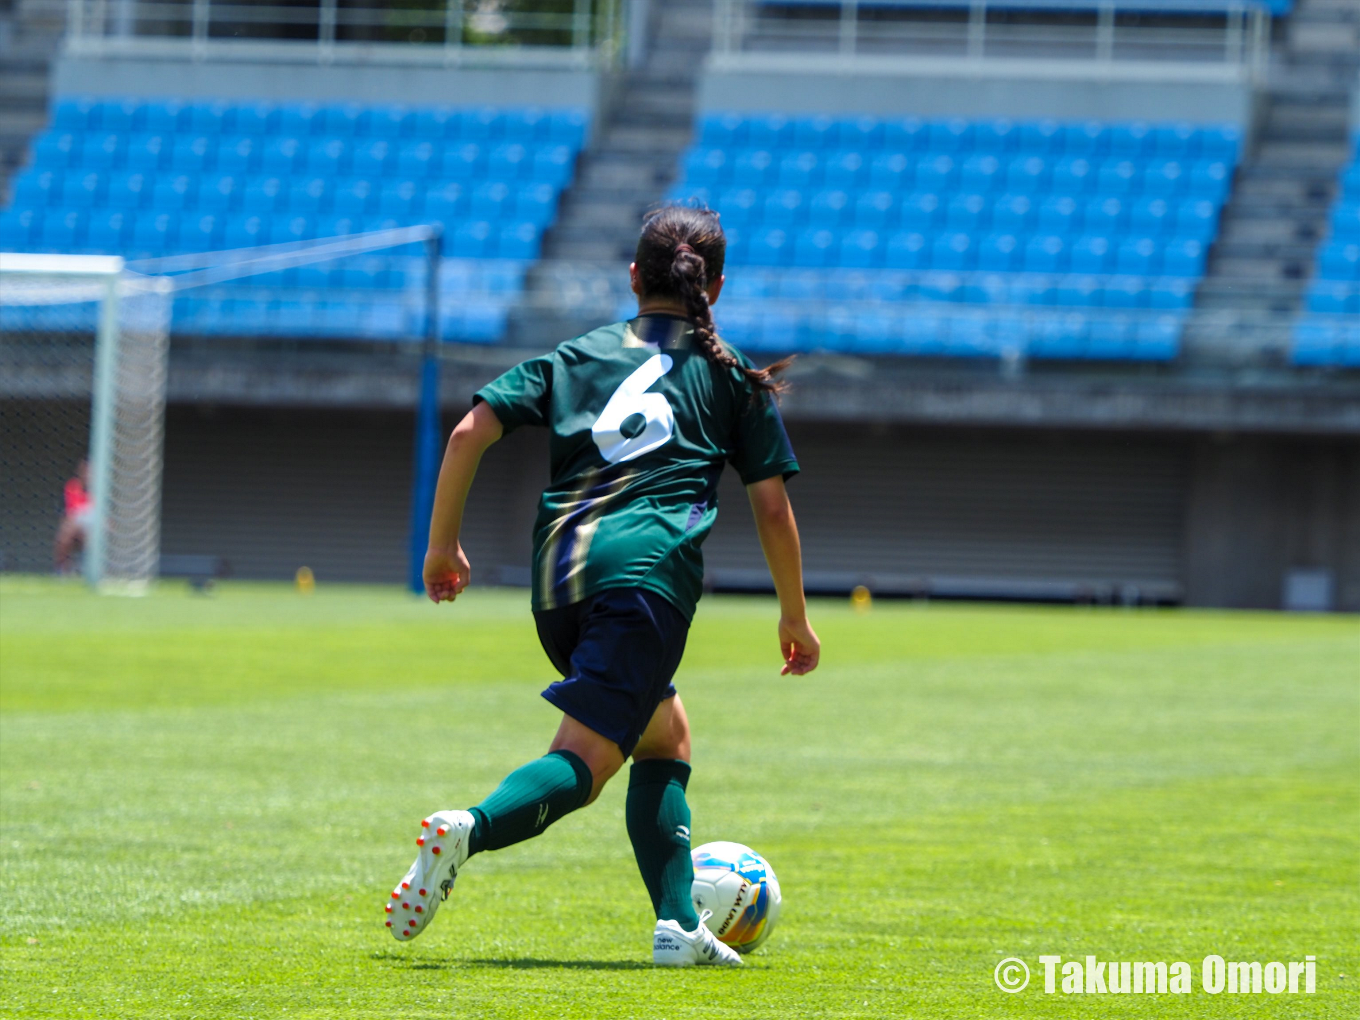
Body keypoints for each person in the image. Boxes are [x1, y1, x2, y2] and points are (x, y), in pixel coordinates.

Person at [386, 205, 820, 966]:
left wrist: (441, 547)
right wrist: (795, 617)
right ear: (714, 286)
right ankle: (471, 829)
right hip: (645, 579)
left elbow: (467, 433)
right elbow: (774, 509)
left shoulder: (576, 353)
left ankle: (680, 923)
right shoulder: (729, 374)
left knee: (664, 733)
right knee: (586, 761)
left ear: (632, 277)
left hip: (557, 583)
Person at [54, 459, 92, 573]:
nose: (87, 474)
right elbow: (69, 513)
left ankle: (87, 569)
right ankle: (62, 570)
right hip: (76, 527)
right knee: (65, 535)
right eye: (84, 470)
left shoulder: (102, 490)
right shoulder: (72, 487)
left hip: (95, 529)